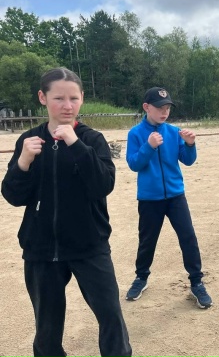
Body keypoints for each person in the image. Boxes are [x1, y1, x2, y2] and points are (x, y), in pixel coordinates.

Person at [1, 67, 132, 357]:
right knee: (46, 329)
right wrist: (23, 162)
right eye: (58, 98)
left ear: (82, 98)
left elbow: (103, 185)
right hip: (41, 248)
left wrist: (75, 144)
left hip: (89, 245)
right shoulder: (29, 140)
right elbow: (12, 195)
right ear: (43, 98)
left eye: (74, 98)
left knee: (111, 316)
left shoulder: (92, 139)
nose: (67, 105)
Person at [125, 87, 212, 309]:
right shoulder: (135, 133)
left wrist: (190, 144)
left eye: (167, 108)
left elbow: (188, 160)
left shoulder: (174, 132)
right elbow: (134, 164)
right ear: (146, 107)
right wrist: (149, 146)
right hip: (149, 198)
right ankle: (141, 277)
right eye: (159, 108)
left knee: (188, 237)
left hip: (175, 196)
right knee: (147, 240)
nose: (164, 112)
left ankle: (196, 282)